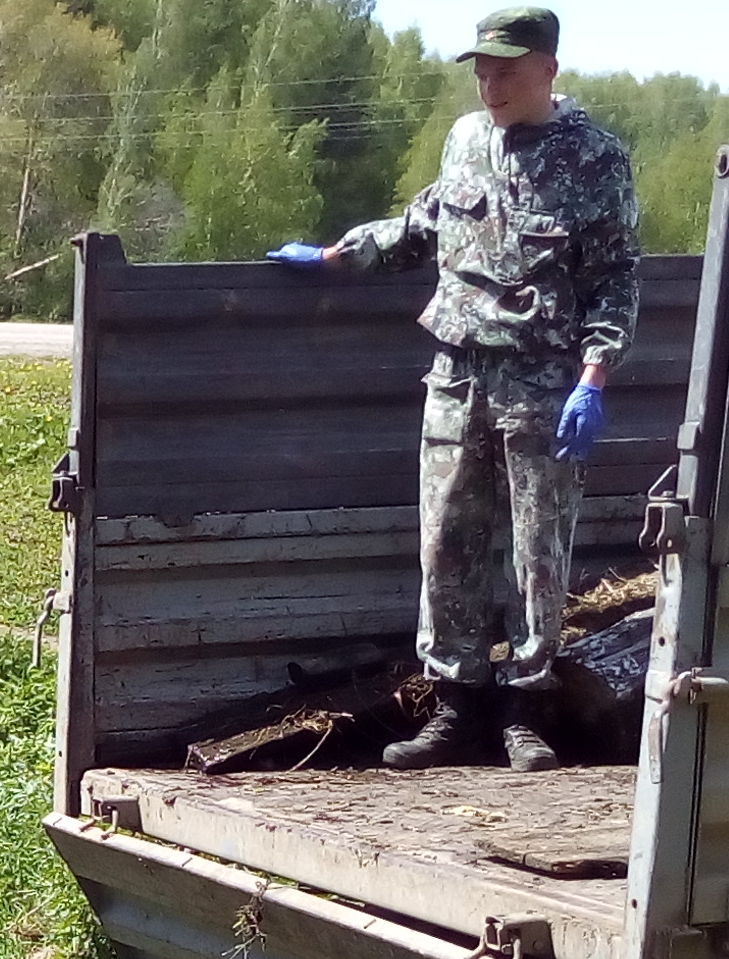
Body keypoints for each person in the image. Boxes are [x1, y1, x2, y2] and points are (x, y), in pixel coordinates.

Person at [269, 5, 638, 773]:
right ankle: (456, 710)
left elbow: (613, 280)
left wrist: (595, 375)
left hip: (540, 379)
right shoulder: (466, 140)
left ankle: (524, 711)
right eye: (481, 69)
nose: (489, 83)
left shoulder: (594, 158)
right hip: (457, 372)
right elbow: (423, 225)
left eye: (506, 70)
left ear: (547, 70)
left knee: (537, 552)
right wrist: (340, 255)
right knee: (446, 545)